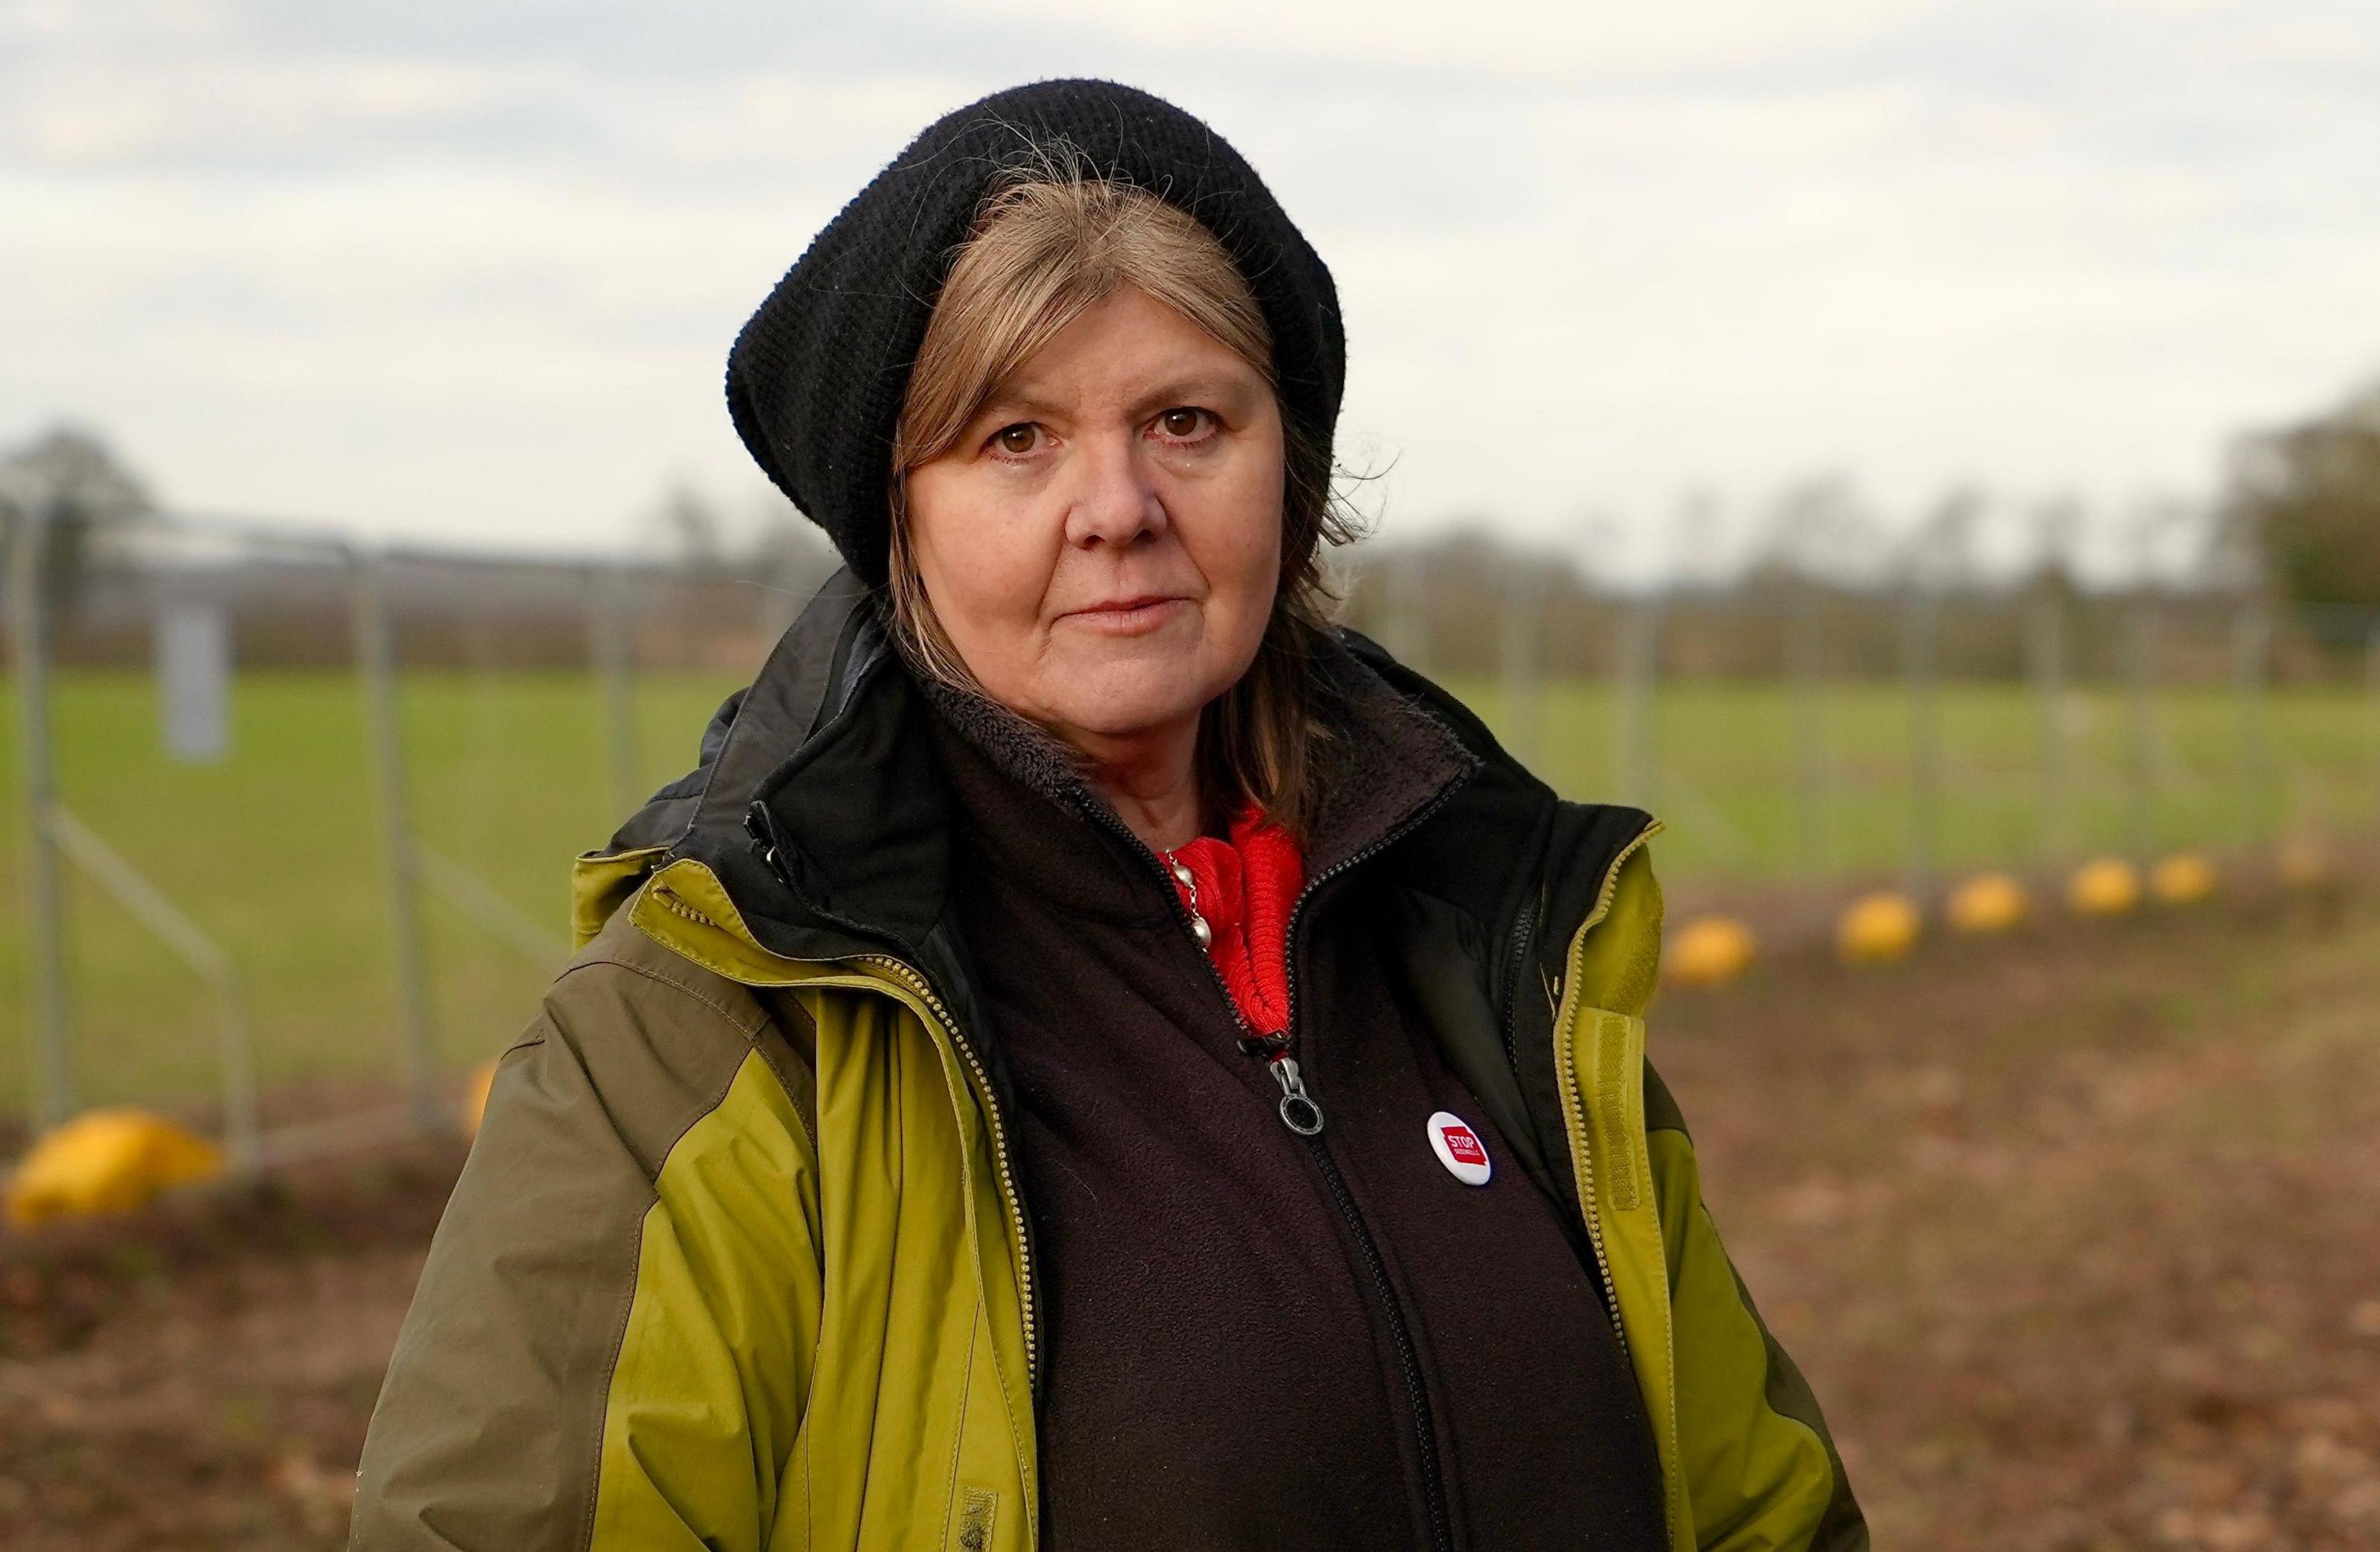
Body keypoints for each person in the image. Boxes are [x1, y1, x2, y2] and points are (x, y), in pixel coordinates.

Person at [349, 79, 1867, 1552]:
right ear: (903, 527)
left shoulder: (1500, 947)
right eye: (1015, 439)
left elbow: (1757, 1510)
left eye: (1189, 422)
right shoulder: (707, 1034)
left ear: (1289, 474)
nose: (1119, 506)